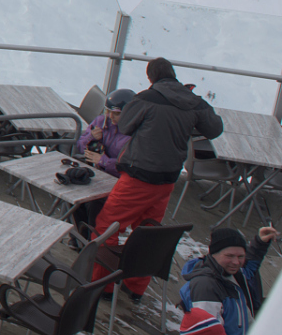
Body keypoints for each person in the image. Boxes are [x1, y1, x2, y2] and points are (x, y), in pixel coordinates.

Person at [92, 58, 223, 297]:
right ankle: (135, 288)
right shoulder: (193, 102)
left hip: (137, 177)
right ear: (173, 75)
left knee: (107, 227)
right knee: (148, 232)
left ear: (151, 78)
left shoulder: (145, 99)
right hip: (166, 181)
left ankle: (102, 285)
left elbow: (126, 127)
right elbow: (215, 129)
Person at [179, 224, 277, 335]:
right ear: (213, 254)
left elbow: (248, 268)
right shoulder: (206, 286)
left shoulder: (233, 274)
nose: (236, 262)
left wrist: (260, 243)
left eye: (240, 256)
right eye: (229, 256)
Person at [74, 88, 134, 176]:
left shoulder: (135, 134)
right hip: (94, 170)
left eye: (116, 114)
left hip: (114, 178)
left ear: (129, 113)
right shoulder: (101, 122)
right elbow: (80, 146)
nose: (110, 116)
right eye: (108, 111)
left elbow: (130, 167)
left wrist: (103, 161)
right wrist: (91, 137)